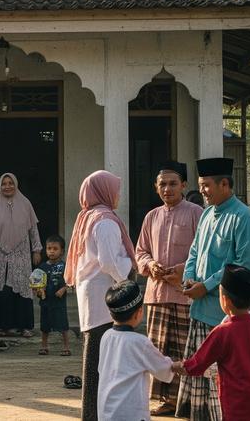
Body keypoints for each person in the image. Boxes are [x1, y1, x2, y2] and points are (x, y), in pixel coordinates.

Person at [177, 157, 250, 419]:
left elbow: (242, 268)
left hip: (224, 315)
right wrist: (189, 278)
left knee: (221, 386)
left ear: (225, 184)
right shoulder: (206, 214)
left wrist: (207, 286)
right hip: (199, 311)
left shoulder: (243, 217)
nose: (202, 191)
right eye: (200, 185)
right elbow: (194, 251)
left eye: (206, 185)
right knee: (200, 384)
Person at [66, 170, 137, 421]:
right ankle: (95, 415)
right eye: (115, 189)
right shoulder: (104, 220)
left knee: (95, 360)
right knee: (99, 363)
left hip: (93, 296)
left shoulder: (88, 216)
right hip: (103, 298)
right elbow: (109, 261)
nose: (118, 194)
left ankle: (92, 414)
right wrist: (128, 274)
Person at [134, 160, 203, 416]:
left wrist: (181, 269)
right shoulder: (151, 216)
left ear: (184, 185)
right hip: (157, 294)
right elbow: (140, 251)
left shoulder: (197, 213)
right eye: (162, 184)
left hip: (186, 293)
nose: (168, 189)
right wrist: (150, 265)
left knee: (186, 348)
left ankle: (187, 400)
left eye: (173, 184)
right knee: (159, 350)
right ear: (156, 187)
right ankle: (167, 400)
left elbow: (202, 252)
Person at [182, 265, 250, 421]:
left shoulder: (222, 332)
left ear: (225, 300)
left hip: (236, 403)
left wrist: (179, 367)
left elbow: (198, 363)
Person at [97, 280, 183, 421]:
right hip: (131, 414)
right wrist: (177, 365)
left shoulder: (106, 336)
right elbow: (162, 369)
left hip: (106, 412)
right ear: (139, 312)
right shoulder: (139, 342)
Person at [0, 173, 42, 336]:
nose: (7, 186)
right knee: (2, 291)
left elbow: (33, 229)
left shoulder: (25, 203)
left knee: (22, 289)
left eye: (10, 183)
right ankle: (3, 326)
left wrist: (36, 249)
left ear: (16, 184)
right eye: (4, 183)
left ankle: (25, 326)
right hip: (0, 255)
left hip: (21, 254)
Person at [35, 233, 71, 356]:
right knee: (45, 325)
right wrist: (39, 290)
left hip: (59, 301)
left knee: (63, 324)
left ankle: (66, 347)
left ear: (62, 251)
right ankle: (44, 346)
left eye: (55, 249)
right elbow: (37, 282)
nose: (51, 252)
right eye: (49, 248)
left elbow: (70, 281)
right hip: (46, 300)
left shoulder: (65, 267)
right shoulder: (42, 267)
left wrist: (63, 289)